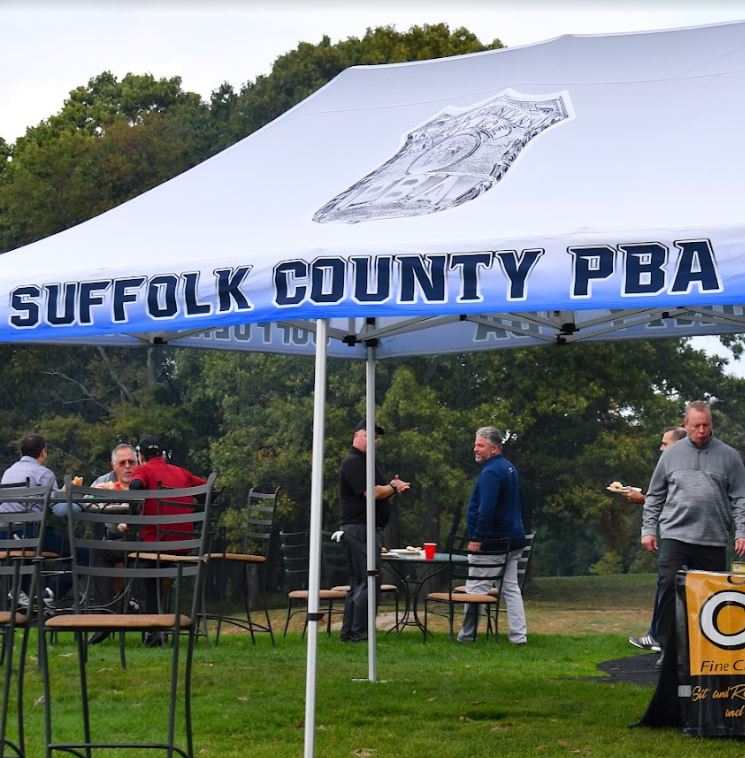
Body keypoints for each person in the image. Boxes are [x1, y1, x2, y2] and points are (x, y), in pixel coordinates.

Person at [641, 401, 745, 665]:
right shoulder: (671, 455)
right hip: (675, 533)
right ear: (685, 424)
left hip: (712, 537)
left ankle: (705, 654)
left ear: (711, 424)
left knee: (710, 597)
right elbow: (655, 495)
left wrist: (741, 532)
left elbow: (740, 499)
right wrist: (648, 530)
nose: (701, 430)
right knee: (668, 587)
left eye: (706, 425)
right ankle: (667, 651)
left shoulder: (729, 456)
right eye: (696, 425)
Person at [129, 434, 207, 646]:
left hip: (157, 545)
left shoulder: (144, 470)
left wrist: (134, 514)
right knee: (148, 566)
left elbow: (135, 487)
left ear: (141, 456)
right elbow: (208, 491)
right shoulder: (182, 472)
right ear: (162, 454)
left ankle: (144, 623)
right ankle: (154, 629)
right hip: (185, 545)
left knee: (118, 557)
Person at [339, 420, 410, 643]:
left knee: (360, 582)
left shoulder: (368, 462)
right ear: (356, 436)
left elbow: (381, 491)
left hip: (366, 529)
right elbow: (372, 493)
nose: (374, 440)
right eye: (369, 435)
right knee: (368, 580)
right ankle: (360, 634)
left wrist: (391, 488)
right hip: (360, 529)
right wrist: (393, 487)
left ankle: (350, 632)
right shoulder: (353, 462)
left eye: (377, 437)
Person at [457, 426, 528, 645]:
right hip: (513, 539)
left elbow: (486, 510)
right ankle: (519, 637)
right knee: (511, 588)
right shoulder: (508, 468)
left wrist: (478, 538)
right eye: (475, 444)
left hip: (494, 542)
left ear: (494, 448)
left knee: (475, 588)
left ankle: (467, 636)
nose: (475, 449)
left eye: (481, 445)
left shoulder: (491, 472)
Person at [625, 426, 686, 653]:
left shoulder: (680, 468)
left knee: (670, 586)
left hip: (680, 537)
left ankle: (659, 637)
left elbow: (674, 503)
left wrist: (641, 499)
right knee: (668, 586)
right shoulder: (673, 466)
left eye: (665, 444)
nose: (661, 448)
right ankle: (659, 635)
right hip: (674, 535)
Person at [0, 433, 75, 608]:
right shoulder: (44, 473)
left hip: (4, 536)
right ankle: (49, 594)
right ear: (43, 452)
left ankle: (22, 595)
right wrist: (76, 499)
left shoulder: (9, 472)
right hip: (28, 535)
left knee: (29, 554)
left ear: (21, 452)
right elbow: (60, 511)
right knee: (84, 555)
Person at [87, 443, 140, 645]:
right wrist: (97, 494)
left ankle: (136, 607)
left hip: (145, 541)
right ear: (113, 466)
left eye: (131, 462)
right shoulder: (104, 481)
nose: (128, 467)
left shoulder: (144, 479)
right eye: (122, 463)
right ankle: (106, 615)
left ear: (138, 463)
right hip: (114, 541)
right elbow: (86, 502)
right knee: (100, 550)